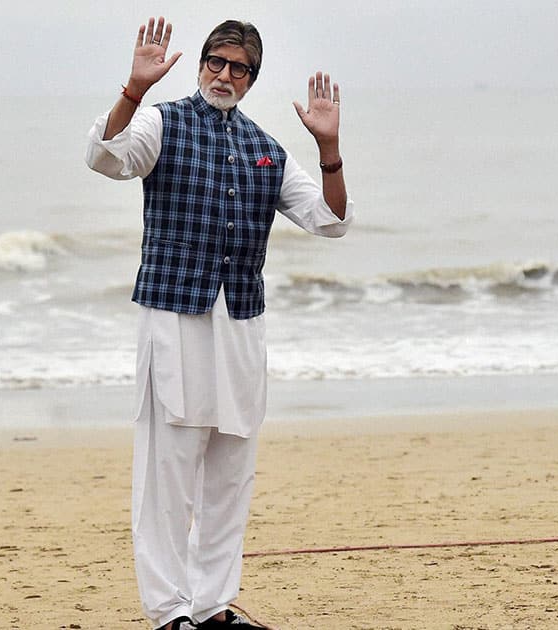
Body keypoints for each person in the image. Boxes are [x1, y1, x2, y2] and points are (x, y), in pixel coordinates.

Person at [85, 16, 354, 630]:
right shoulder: (162, 121)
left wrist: (330, 150)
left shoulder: (266, 147)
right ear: (202, 63)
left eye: (240, 69)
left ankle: (211, 606)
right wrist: (133, 89)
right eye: (217, 62)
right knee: (168, 472)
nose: (225, 76)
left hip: (240, 326)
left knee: (232, 470)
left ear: (252, 78)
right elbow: (106, 157)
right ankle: (167, 612)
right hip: (173, 316)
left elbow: (331, 221)